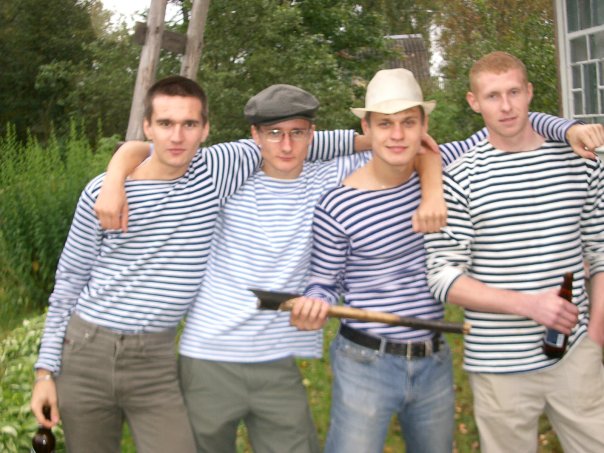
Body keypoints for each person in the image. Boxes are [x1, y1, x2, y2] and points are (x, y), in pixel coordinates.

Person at [288, 67, 602, 453]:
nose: (397, 135)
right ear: (366, 129)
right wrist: (313, 301)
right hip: (365, 359)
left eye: (408, 122)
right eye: (384, 124)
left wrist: (569, 130)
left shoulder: (450, 164)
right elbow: (324, 282)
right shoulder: (337, 204)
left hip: (432, 358)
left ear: (424, 126)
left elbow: (510, 118)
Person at [29, 75, 261, 453]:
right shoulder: (101, 194)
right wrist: (44, 373)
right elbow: (68, 282)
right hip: (86, 352)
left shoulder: (216, 170)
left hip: (155, 361)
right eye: (165, 123)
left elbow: (293, 138)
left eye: (189, 124)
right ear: (148, 127)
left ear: (205, 129)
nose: (177, 136)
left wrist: (365, 141)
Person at [425, 51, 604, 453]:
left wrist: (596, 333)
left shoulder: (581, 163)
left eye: (513, 92)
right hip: (498, 367)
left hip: (576, 354)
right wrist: (529, 305)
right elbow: (442, 276)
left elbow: (600, 250)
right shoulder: (461, 178)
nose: (505, 106)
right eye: (492, 96)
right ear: (474, 102)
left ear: (529, 93)